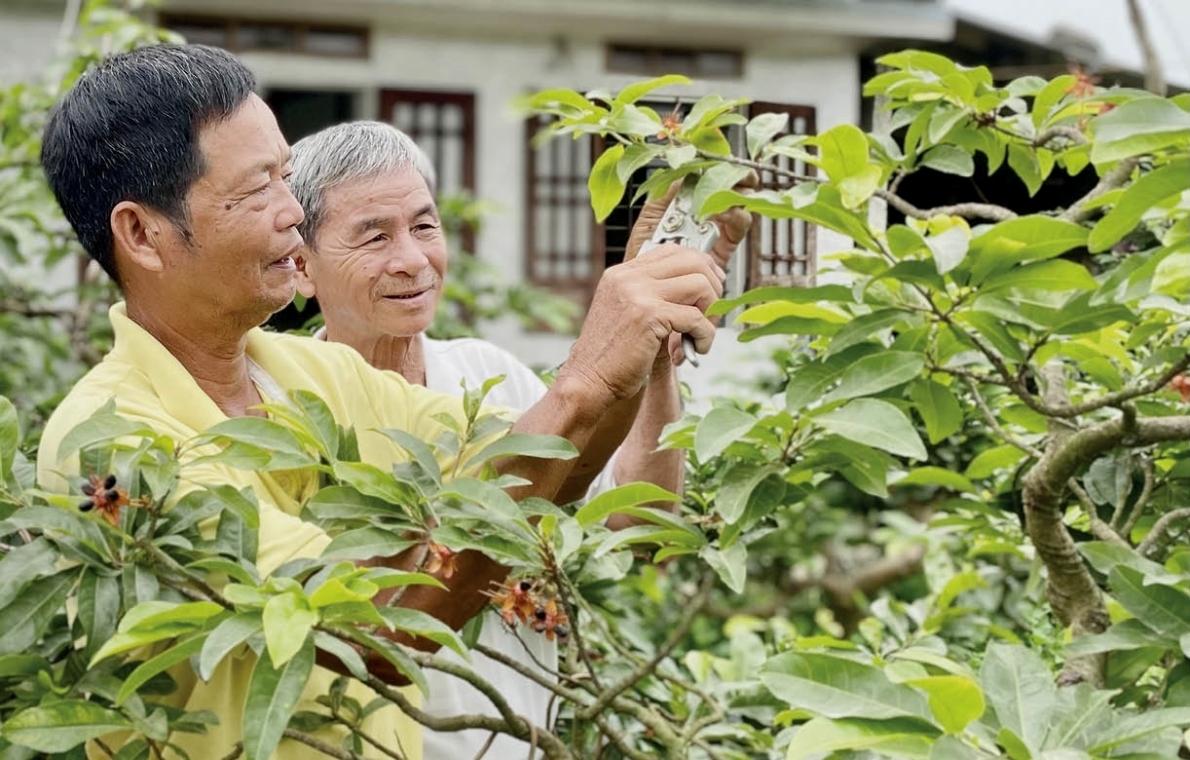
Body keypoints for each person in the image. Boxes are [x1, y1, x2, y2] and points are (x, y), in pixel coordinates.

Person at [36, 44, 726, 759]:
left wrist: (632, 343)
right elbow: (366, 627)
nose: (290, 216)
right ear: (143, 234)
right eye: (255, 190)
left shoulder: (311, 372)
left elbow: (548, 469)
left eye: (284, 177)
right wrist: (586, 379)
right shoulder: (114, 442)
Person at [286, 121, 749, 757]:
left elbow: (641, 523)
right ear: (301, 267)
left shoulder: (487, 375)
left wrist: (653, 352)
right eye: (374, 237)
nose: (413, 259)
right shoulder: (285, 414)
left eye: (424, 227)